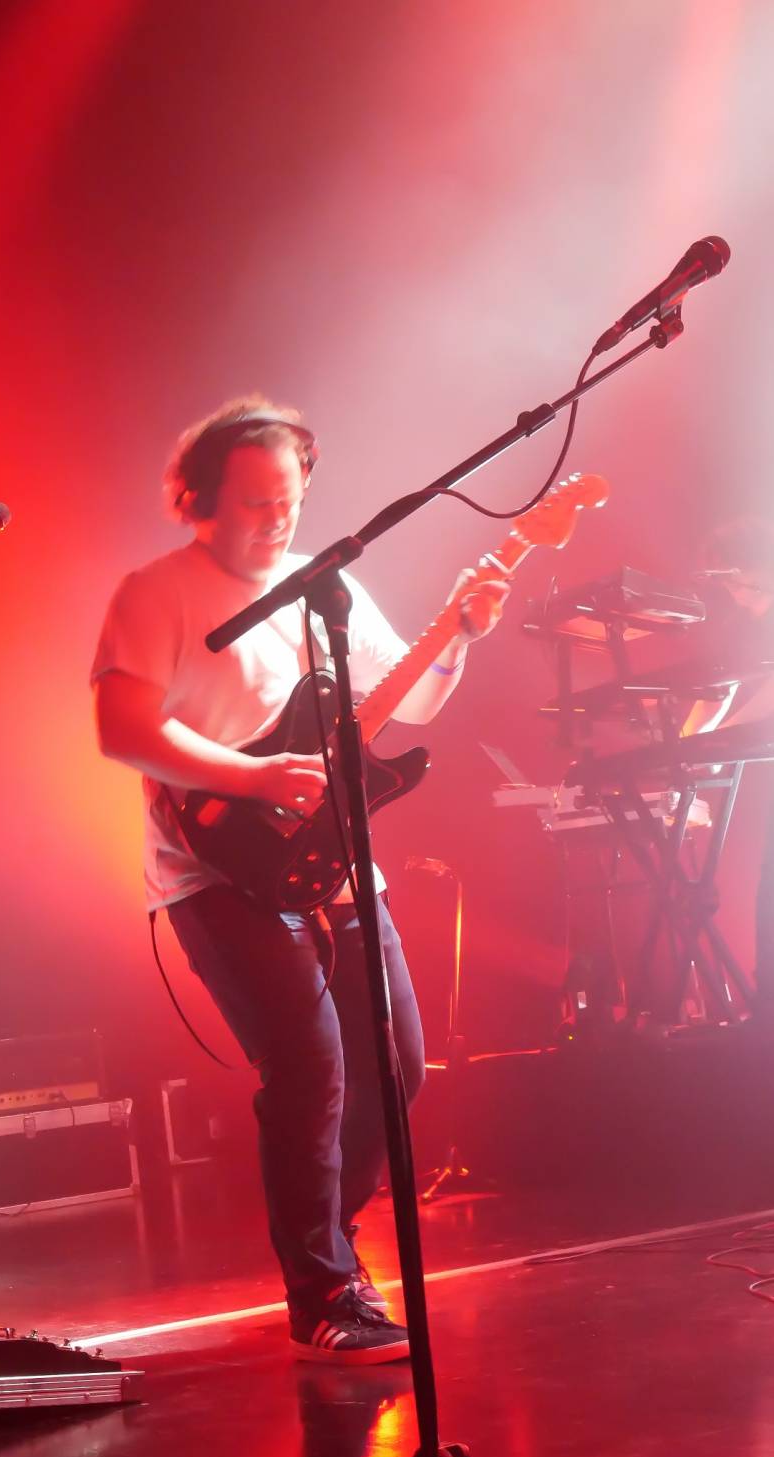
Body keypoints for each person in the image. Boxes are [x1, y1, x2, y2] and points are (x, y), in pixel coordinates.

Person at [92, 397, 508, 1363]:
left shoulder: (327, 588)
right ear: (197, 501)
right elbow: (121, 730)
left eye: (289, 498)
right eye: (254, 502)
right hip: (216, 871)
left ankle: (331, 1241)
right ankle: (321, 1295)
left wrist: (459, 635)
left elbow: (406, 701)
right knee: (312, 1068)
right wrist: (249, 777)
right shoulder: (155, 593)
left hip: (336, 864)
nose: (277, 519)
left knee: (396, 1064)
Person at [683, 517, 774, 1024]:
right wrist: (689, 744)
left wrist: (717, 740)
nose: (734, 593)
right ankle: (767, 1009)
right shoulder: (743, 627)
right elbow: (719, 690)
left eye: (736, 579)